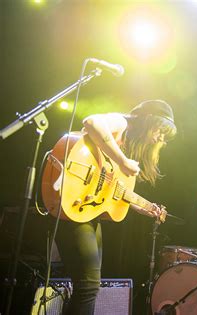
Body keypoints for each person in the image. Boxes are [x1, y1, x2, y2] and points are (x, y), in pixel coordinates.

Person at [55, 100, 177, 315]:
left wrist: (141, 207)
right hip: (73, 201)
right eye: (160, 131)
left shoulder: (128, 142)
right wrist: (122, 161)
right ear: (148, 120)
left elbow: (109, 189)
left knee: (88, 286)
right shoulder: (121, 122)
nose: (161, 139)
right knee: (88, 286)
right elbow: (91, 121)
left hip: (86, 210)